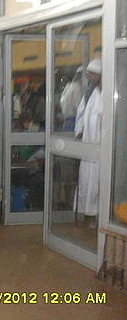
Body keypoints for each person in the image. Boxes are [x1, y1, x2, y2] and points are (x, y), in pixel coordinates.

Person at [74, 59, 102, 223]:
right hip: (88, 147)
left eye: (92, 74)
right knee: (86, 181)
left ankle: (97, 216)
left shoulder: (109, 93)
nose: (90, 77)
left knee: (98, 182)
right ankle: (87, 214)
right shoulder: (89, 93)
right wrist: (79, 130)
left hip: (100, 147)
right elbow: (81, 114)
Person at [60, 66, 84, 131]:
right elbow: (78, 105)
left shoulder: (68, 86)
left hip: (67, 119)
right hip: (74, 119)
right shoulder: (77, 88)